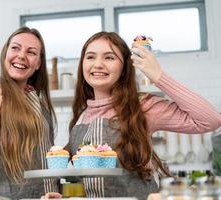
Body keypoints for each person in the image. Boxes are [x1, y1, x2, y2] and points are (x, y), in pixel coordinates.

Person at [45, 31, 221, 200]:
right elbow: (91, 183)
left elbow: (210, 120)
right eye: (90, 57)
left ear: (123, 68)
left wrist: (158, 76)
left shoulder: (142, 106)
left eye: (109, 57)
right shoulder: (82, 116)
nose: (98, 64)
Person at [0, 27, 58, 199]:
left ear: (38, 63)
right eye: (15, 48)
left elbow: (47, 155)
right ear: (5, 53)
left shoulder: (36, 99)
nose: (21, 55)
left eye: (31, 52)